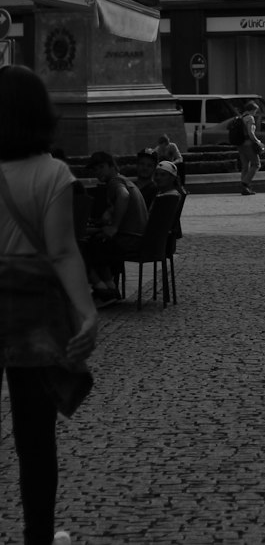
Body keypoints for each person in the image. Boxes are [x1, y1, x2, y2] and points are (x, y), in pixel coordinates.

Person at [0, 65, 99, 545]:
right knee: (34, 438)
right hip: (33, 316)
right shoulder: (53, 173)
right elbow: (62, 251)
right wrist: (87, 312)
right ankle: (37, 534)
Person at [81, 151, 149, 303]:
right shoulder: (125, 180)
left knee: (82, 246)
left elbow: (123, 195)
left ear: (112, 166)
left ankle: (101, 289)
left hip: (129, 240)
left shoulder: (115, 182)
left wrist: (114, 227)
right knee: (98, 240)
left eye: (101, 167)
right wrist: (110, 213)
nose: (98, 172)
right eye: (95, 169)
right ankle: (110, 287)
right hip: (138, 238)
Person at [236, 101, 265, 196]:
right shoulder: (250, 118)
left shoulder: (241, 117)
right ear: (252, 110)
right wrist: (258, 142)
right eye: (255, 111)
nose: (255, 113)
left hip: (240, 144)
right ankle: (245, 183)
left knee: (245, 166)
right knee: (256, 164)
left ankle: (245, 189)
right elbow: (251, 133)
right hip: (248, 144)